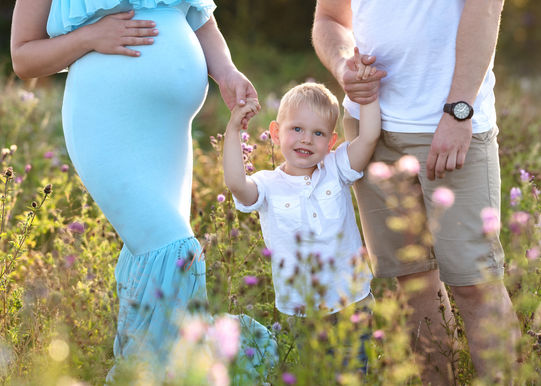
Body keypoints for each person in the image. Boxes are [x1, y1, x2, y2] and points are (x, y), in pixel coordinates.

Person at [10, 0, 261, 380]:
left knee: (154, 253)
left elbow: (199, 18)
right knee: (175, 250)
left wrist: (226, 72)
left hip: (167, 130)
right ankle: (176, 373)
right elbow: (23, 57)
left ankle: (153, 372)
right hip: (106, 123)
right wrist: (89, 36)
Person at [312, 0, 520, 383]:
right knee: (414, 283)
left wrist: (459, 111)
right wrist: (343, 65)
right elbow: (329, 18)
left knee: (476, 285)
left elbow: (486, 9)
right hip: (369, 126)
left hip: (451, 126)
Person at [223, 78, 379, 370]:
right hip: (303, 308)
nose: (306, 139)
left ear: (331, 142)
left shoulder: (336, 167)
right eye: (296, 129)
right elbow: (235, 183)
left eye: (318, 133)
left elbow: (368, 137)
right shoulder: (268, 185)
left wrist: (368, 91)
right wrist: (233, 129)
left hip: (352, 298)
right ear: (275, 133)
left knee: (354, 373)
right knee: (316, 374)